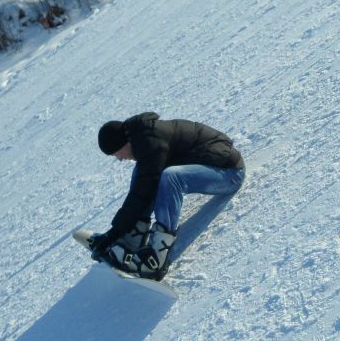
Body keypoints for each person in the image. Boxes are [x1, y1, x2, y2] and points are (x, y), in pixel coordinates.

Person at [88, 112, 245, 279]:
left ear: (124, 142)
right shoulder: (144, 139)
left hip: (230, 174)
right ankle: (134, 236)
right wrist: (117, 233)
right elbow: (143, 187)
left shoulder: (151, 142)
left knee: (171, 177)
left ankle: (158, 255)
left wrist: (114, 232)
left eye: (116, 153)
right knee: (143, 174)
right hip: (216, 168)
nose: (119, 159)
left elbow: (144, 190)